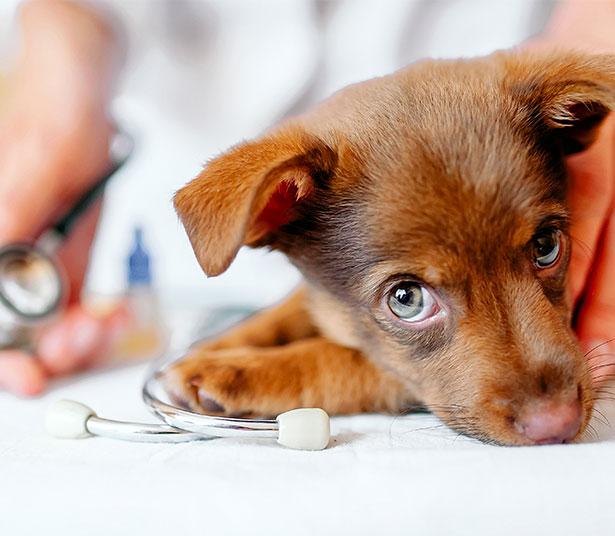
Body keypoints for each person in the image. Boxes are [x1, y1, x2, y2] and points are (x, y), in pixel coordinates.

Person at [0, 0, 613, 396]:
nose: (550, 411)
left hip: (512, 97)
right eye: (408, 294)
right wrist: (59, 58)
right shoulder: (293, 205)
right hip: (160, 241)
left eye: (543, 248)